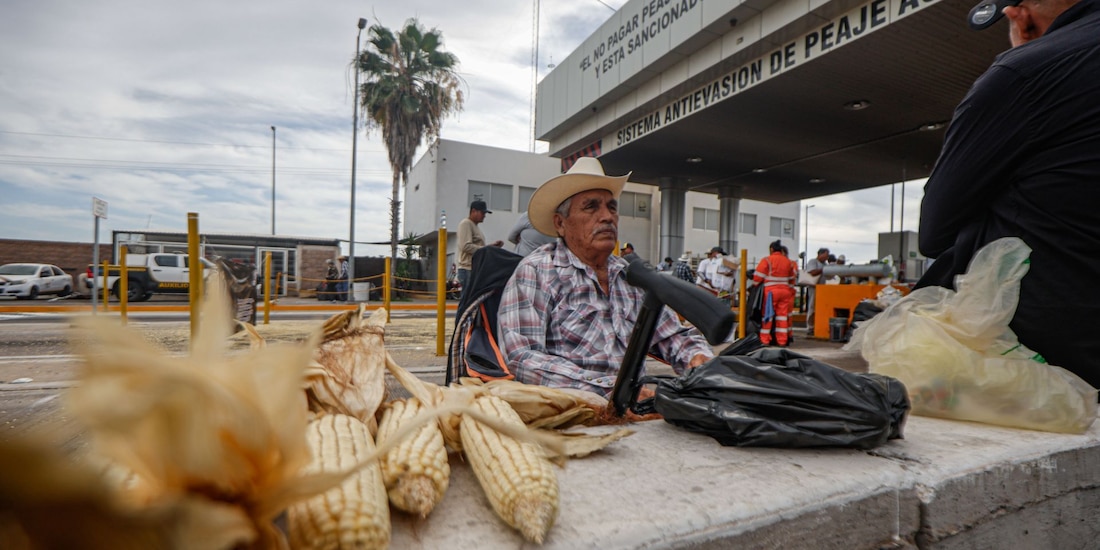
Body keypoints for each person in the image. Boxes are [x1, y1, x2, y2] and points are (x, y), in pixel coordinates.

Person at [917, 0, 1100, 388]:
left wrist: (1025, 55)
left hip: (1054, 369)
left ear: (1019, 15)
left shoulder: (1023, 72)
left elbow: (934, 231)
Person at [498, 157, 713, 398]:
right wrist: (610, 390)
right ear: (560, 223)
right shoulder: (537, 271)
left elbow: (672, 335)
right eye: (591, 207)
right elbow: (523, 356)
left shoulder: (629, 277)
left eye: (611, 207)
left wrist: (696, 357)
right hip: (571, 412)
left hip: (634, 406)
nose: (607, 216)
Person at [753, 240, 797, 346]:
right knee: (782, 316)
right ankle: (782, 340)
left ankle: (765, 340)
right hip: (785, 291)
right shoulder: (788, 262)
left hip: (771, 292)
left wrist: (755, 285)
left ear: (771, 249)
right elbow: (792, 278)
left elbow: (758, 277)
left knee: (768, 315)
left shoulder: (767, 260)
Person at [457, 200, 504, 296]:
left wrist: (491, 247)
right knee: (467, 302)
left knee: (472, 302)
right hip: (468, 269)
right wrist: (486, 249)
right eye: (482, 213)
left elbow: (478, 247)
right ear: (474, 211)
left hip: (474, 269)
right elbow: (465, 246)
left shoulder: (475, 226)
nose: (484, 216)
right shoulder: (466, 223)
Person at [803, 248, 829, 336]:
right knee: (812, 307)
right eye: (825, 255)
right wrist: (823, 270)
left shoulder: (825, 264)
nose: (826, 258)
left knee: (819, 308)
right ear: (820, 254)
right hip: (813, 288)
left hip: (822, 288)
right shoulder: (813, 262)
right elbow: (812, 272)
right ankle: (810, 327)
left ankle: (816, 326)